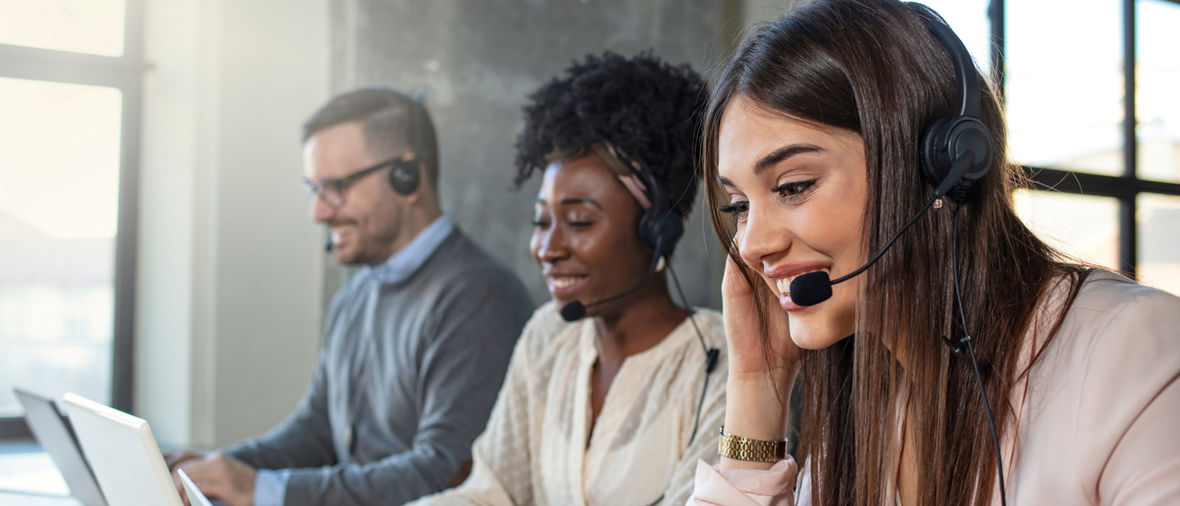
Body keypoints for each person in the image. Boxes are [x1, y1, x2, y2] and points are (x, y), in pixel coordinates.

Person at [690, 1, 1180, 505]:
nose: (752, 245)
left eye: (793, 187)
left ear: (941, 168)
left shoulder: (1131, 352)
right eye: (740, 206)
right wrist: (757, 383)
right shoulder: (866, 405)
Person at [166, 88, 534, 506]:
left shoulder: (479, 298)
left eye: (335, 187)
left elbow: (445, 474)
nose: (319, 213)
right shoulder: (357, 294)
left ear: (407, 178)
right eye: (314, 189)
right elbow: (317, 430)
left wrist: (264, 490)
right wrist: (212, 471)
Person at [411, 52, 726, 506]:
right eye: (542, 222)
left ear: (656, 229)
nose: (547, 248)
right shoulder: (547, 337)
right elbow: (490, 492)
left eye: (578, 222)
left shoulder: (720, 365)